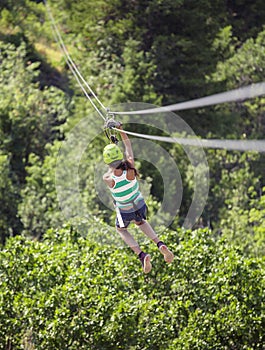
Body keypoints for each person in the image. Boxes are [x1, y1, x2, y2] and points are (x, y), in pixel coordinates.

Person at [103, 122, 174, 274]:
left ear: (108, 162)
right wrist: (120, 130)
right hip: (139, 204)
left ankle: (142, 255)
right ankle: (159, 243)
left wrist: (112, 149)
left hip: (124, 209)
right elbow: (128, 145)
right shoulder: (130, 167)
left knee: (121, 230)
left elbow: (112, 168)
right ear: (120, 157)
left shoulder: (107, 178)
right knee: (140, 222)